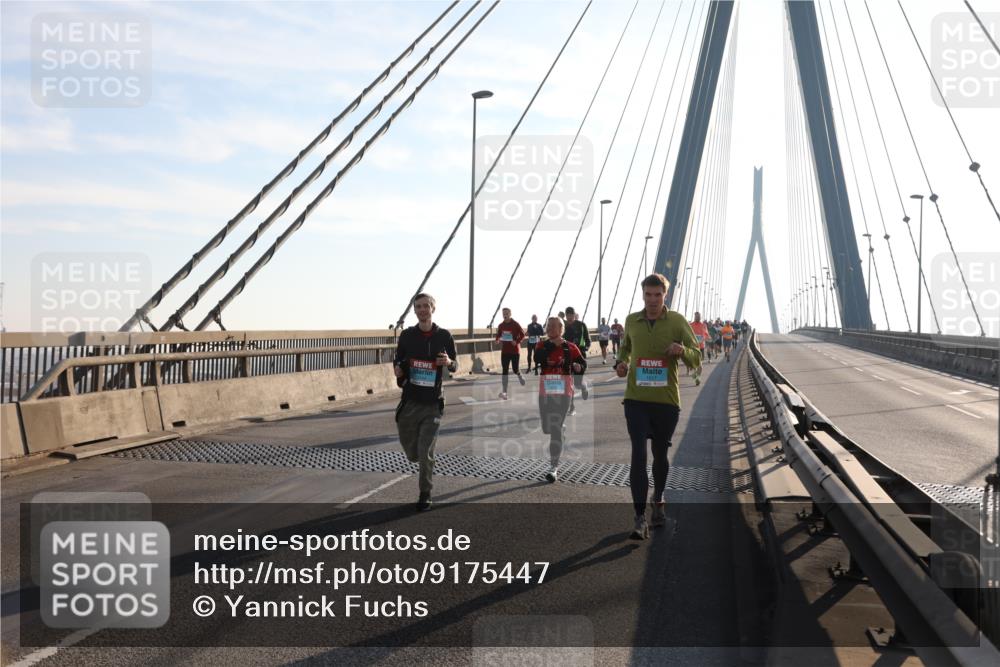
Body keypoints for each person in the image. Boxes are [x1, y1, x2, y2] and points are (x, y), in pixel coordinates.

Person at [614, 273, 700, 539]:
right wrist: (620, 364)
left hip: (665, 402)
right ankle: (639, 518)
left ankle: (659, 498)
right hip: (636, 400)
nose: (652, 300)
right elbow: (624, 350)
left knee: (660, 455)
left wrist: (681, 350)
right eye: (648, 295)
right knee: (638, 455)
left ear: (665, 296)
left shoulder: (677, 321)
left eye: (658, 295)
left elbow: (697, 357)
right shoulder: (631, 321)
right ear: (643, 295)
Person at [393, 293, 458, 511]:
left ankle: (425, 493)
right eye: (418, 306)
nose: (422, 310)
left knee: (425, 451)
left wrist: (448, 362)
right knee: (412, 452)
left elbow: (455, 365)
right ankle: (417, 458)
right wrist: (398, 368)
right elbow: (398, 359)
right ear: (414, 310)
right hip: (410, 401)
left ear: (433, 309)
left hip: (433, 402)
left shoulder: (444, 336)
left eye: (426, 306)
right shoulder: (407, 335)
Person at [534, 317, 586, 483]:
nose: (548, 328)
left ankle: (553, 468)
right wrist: (550, 348)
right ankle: (560, 429)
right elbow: (537, 359)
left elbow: (582, 364)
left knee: (554, 428)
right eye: (548, 326)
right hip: (546, 392)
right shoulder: (542, 345)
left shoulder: (570, 348)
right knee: (546, 429)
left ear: (561, 329)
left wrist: (578, 367)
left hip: (564, 393)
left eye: (552, 326)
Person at [563, 307, 591, 412]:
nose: (570, 317)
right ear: (566, 316)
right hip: (566, 356)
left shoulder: (581, 325)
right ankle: (571, 406)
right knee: (568, 383)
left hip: (579, 356)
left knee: (577, 384)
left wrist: (585, 348)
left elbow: (588, 340)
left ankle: (583, 387)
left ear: (575, 315)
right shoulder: (563, 326)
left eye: (571, 315)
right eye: (568, 315)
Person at [495, 307, 526, 400]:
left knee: (515, 369)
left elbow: (523, 334)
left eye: (507, 313)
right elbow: (498, 335)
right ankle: (505, 393)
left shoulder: (515, 324)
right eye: (503, 313)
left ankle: (519, 375)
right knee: (505, 371)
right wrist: (497, 340)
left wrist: (516, 341)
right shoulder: (501, 325)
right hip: (505, 351)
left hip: (514, 351)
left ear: (510, 314)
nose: (505, 315)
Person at [689, 312, 710, 386]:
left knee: (700, 366)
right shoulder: (690, 325)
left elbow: (706, 335)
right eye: (697, 317)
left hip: (701, 348)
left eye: (699, 317)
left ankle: (697, 377)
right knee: (693, 367)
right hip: (692, 348)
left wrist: (707, 338)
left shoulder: (703, 325)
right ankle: (696, 379)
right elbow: (686, 335)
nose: (698, 318)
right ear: (694, 317)